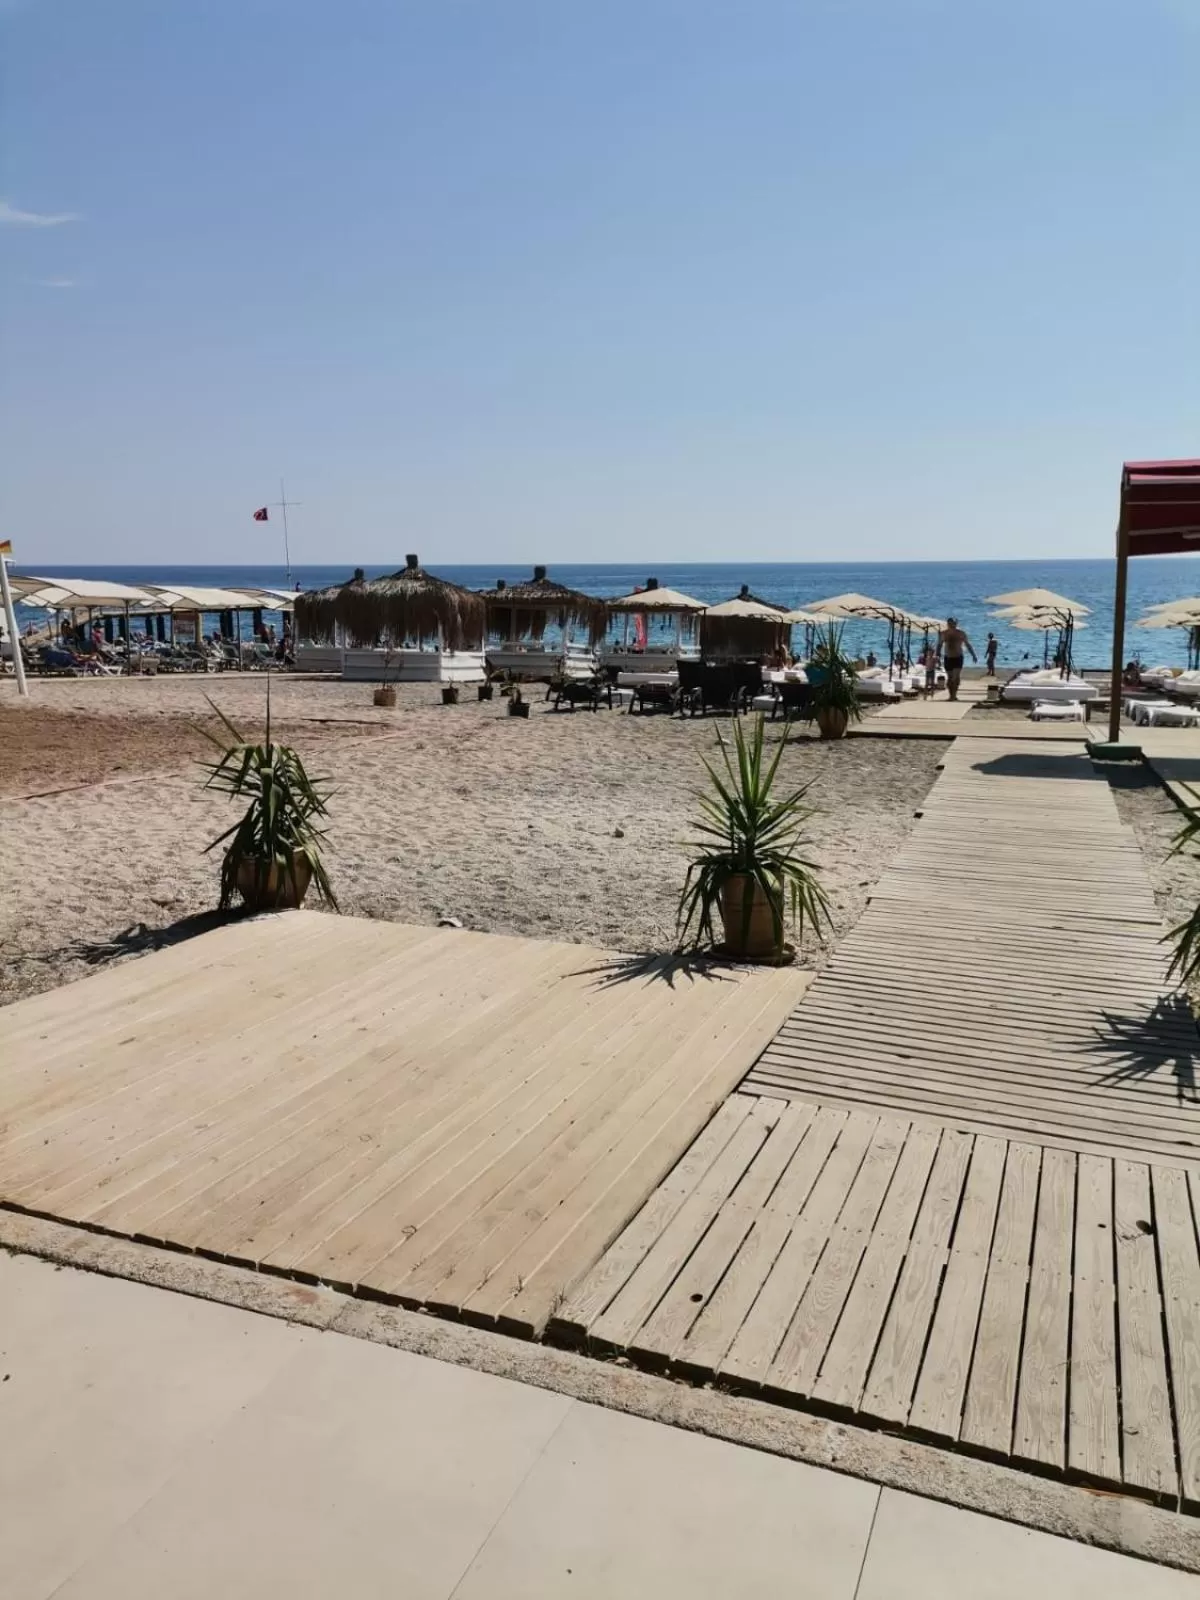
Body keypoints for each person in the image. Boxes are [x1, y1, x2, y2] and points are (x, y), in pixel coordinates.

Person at [939, 616, 977, 701]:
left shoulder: (961, 633)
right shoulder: (943, 633)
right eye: (950, 623)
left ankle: (954, 695)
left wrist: (973, 655)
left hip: (958, 657)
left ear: (956, 624)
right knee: (949, 677)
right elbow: (939, 644)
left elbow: (967, 644)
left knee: (955, 677)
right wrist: (937, 654)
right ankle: (951, 695)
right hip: (947, 657)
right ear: (947, 624)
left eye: (953, 623)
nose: (952, 625)